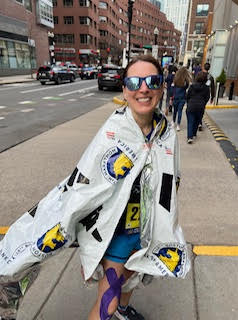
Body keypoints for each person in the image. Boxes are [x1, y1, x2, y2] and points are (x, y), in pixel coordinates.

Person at [0, 55, 190, 320]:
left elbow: (171, 181)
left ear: (161, 87)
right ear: (125, 90)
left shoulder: (166, 131)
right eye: (134, 82)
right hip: (116, 232)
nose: (143, 88)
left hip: (147, 228)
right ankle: (116, 310)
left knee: (132, 279)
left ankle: (123, 311)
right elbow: (83, 186)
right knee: (106, 304)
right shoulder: (113, 132)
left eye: (152, 81)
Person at [186, 71, 210, 144]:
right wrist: (203, 103)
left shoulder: (192, 86)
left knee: (190, 121)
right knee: (197, 121)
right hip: (200, 106)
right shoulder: (206, 88)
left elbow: (188, 96)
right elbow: (207, 97)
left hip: (191, 105)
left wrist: (188, 103)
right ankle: (193, 134)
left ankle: (190, 137)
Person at [171, 67, 192, 131]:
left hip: (176, 97)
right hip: (182, 97)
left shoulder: (176, 79)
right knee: (180, 111)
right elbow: (187, 87)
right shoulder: (185, 81)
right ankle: (178, 125)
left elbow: (172, 88)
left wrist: (171, 97)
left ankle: (173, 122)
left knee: (175, 111)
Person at [198, 62, 216, 131]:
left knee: (198, 108)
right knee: (202, 108)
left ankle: (198, 122)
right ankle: (199, 122)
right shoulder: (210, 77)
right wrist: (212, 97)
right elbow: (212, 88)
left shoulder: (199, 74)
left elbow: (195, 82)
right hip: (206, 95)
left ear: (203, 67)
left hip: (198, 93)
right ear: (209, 68)